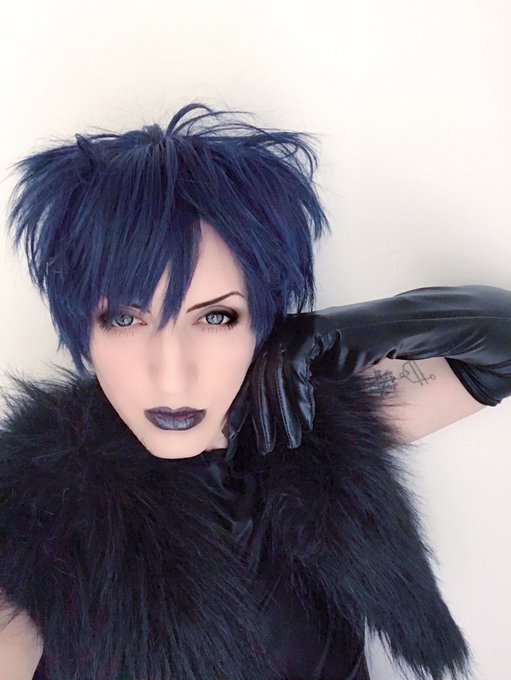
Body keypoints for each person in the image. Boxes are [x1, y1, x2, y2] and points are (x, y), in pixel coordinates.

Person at [0, 102, 510, 680]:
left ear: (263, 324)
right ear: (83, 328)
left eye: (216, 318)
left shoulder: (304, 426)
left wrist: (338, 335)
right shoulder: (34, 517)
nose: (173, 376)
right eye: (125, 318)